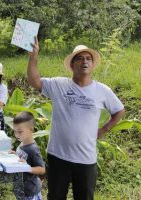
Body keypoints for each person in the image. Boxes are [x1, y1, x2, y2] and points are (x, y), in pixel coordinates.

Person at [27, 37, 125, 200]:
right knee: (56, 197)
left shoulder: (102, 90)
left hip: (86, 159)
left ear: (92, 65)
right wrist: (33, 56)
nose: (84, 61)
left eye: (88, 58)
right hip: (58, 156)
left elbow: (119, 111)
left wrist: (103, 130)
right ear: (72, 65)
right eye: (79, 58)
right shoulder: (59, 85)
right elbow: (34, 81)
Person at [12, 111, 46, 200]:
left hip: (30, 192)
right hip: (21, 188)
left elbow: (42, 169)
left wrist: (27, 168)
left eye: (20, 132)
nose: (16, 135)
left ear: (31, 129)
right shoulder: (22, 142)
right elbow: (23, 157)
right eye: (14, 131)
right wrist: (15, 154)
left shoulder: (33, 149)